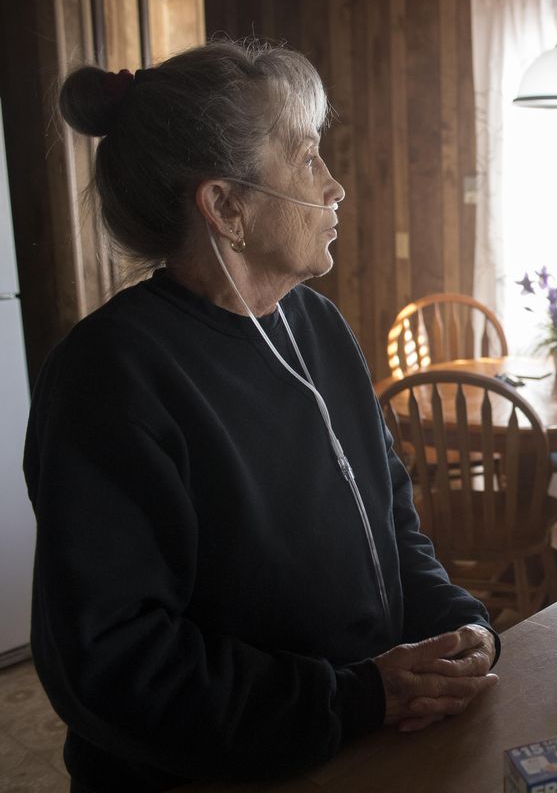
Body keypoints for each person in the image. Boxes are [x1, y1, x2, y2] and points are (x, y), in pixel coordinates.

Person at [24, 41, 499, 792]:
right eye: (307, 158)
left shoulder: (316, 325)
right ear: (225, 207)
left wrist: (456, 623)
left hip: (360, 743)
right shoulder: (109, 377)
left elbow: (389, 518)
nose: (336, 186)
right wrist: (355, 697)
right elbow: (114, 664)